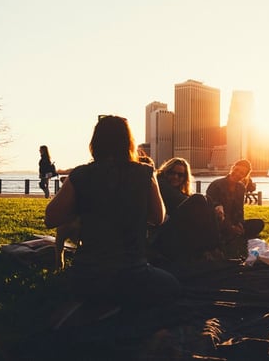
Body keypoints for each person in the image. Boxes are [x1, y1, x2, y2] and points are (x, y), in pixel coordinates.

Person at [44, 115, 179, 326]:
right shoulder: (145, 173)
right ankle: (118, 307)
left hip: (86, 275)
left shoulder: (80, 175)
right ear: (129, 143)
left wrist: (83, 206)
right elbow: (158, 218)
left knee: (90, 290)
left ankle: (98, 306)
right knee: (171, 285)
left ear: (95, 143)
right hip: (132, 274)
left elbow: (51, 218)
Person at [151, 157, 222, 263]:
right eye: (172, 173)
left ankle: (212, 247)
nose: (175, 177)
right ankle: (212, 248)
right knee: (199, 199)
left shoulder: (175, 189)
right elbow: (185, 200)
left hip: (173, 232)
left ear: (185, 178)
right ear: (165, 171)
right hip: (161, 235)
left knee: (208, 200)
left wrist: (217, 206)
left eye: (180, 175)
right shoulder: (161, 184)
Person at [206, 159, 264, 244]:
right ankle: (231, 235)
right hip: (218, 221)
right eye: (237, 170)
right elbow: (211, 208)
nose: (237, 174)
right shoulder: (216, 184)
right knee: (218, 225)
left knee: (259, 223)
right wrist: (231, 227)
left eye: (242, 173)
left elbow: (240, 210)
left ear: (244, 176)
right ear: (232, 168)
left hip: (233, 221)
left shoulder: (241, 188)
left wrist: (239, 223)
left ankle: (234, 234)